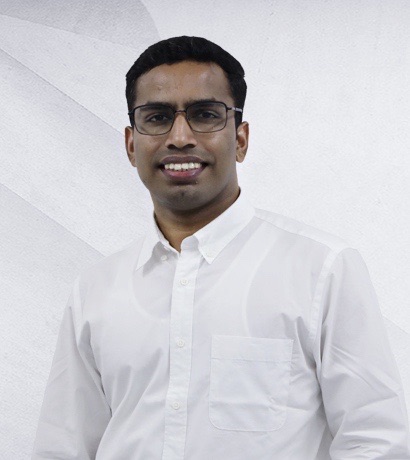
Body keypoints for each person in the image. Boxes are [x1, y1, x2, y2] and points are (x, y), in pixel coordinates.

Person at [32, 36, 410, 459]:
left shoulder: (321, 269)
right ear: (131, 144)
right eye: (157, 117)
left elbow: (376, 441)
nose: (179, 137)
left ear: (241, 139)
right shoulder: (96, 289)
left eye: (205, 115)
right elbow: (61, 448)